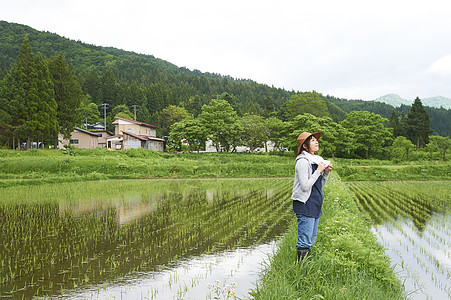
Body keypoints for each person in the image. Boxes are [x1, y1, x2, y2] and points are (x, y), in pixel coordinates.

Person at [291, 131, 332, 261]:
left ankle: (307, 267)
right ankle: (302, 269)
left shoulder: (317, 160)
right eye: (313, 140)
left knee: (311, 238)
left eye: (316, 140)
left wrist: (325, 173)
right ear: (305, 146)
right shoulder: (303, 161)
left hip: (315, 202)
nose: (316, 142)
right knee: (305, 240)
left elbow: (319, 185)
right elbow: (305, 186)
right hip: (305, 204)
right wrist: (318, 171)